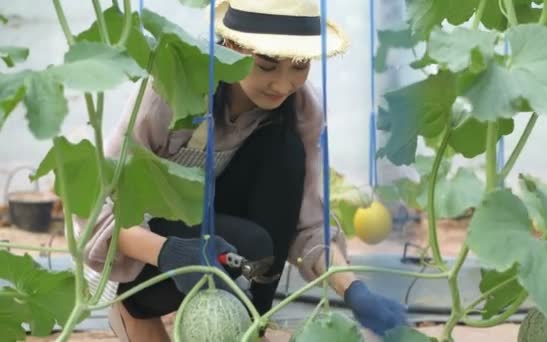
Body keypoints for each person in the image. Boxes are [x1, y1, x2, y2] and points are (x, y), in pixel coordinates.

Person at [78, 0, 407, 340]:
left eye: (299, 65)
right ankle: (132, 309)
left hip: (212, 226)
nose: (283, 84)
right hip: (137, 245)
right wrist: (168, 252)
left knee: (285, 153)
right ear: (232, 46)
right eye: (266, 66)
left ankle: (252, 323)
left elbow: (307, 224)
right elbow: (99, 211)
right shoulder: (170, 88)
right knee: (248, 242)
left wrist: (353, 290)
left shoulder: (302, 108)